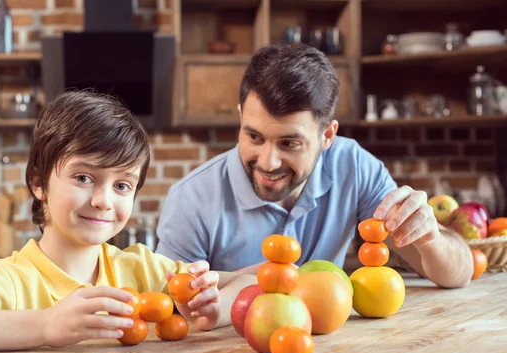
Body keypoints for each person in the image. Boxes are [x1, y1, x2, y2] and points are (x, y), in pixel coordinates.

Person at [0, 91, 253, 353]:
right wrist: (45, 325)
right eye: (84, 178)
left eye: (121, 185)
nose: (103, 200)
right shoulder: (11, 281)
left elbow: (259, 278)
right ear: (39, 183)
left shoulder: (142, 269)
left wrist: (211, 303)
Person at [156, 43, 473, 289]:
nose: (268, 162)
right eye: (254, 136)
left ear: (328, 135)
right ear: (241, 117)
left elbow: (456, 274)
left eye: (289, 143)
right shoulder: (192, 199)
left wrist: (431, 238)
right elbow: (164, 307)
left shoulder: (354, 167)